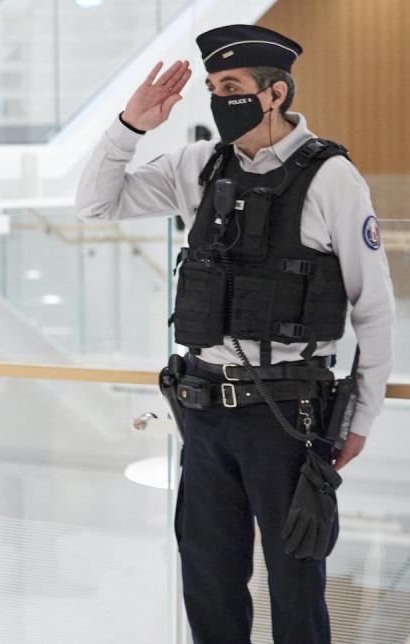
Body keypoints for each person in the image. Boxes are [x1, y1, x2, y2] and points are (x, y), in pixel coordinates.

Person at [75, 24, 395, 644]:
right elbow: (95, 204)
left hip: (288, 418)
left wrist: (360, 420)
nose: (220, 98)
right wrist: (130, 125)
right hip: (201, 413)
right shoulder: (196, 166)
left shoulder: (331, 178)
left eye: (232, 86)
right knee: (209, 585)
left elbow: (374, 309)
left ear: (274, 94)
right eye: (214, 86)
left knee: (295, 590)